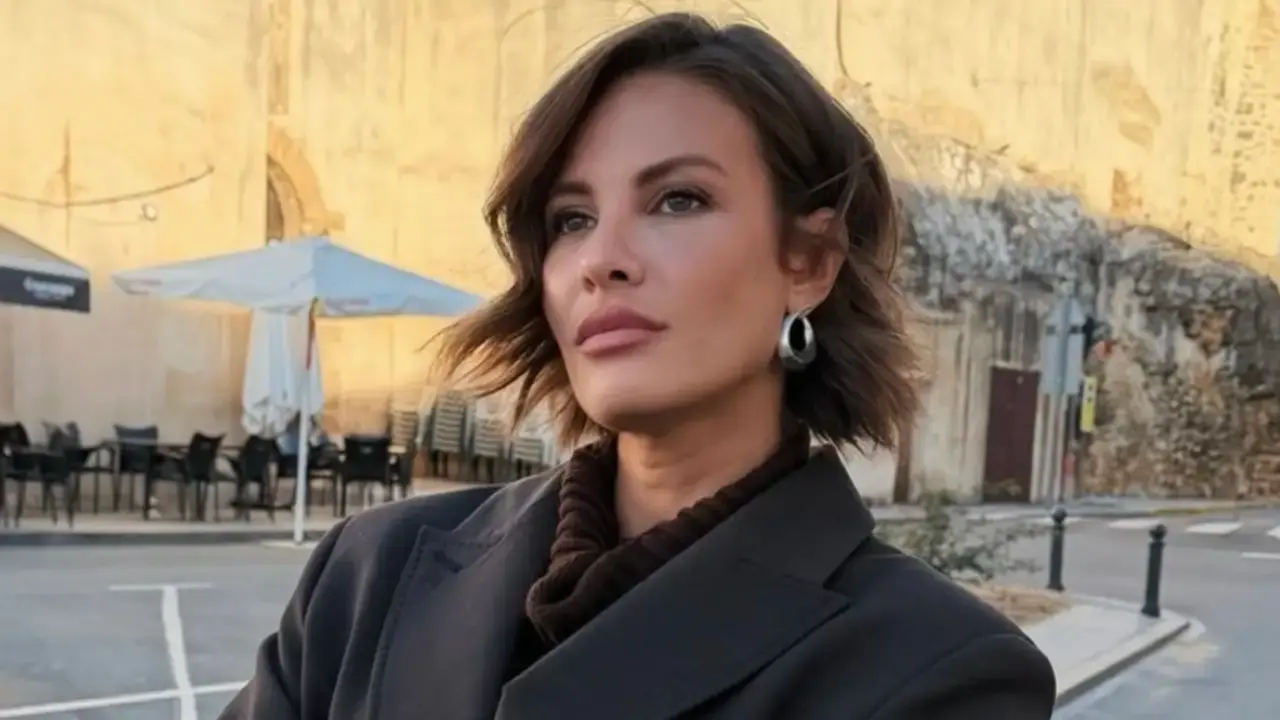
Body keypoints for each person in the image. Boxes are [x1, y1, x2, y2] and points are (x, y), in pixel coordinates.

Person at [221, 12, 1055, 720]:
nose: (601, 259)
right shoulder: (368, 573)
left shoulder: (937, 667)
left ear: (808, 261)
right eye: (571, 219)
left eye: (677, 200)